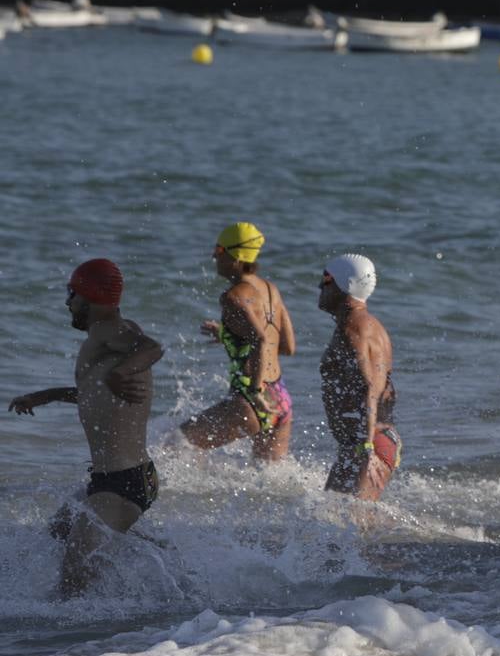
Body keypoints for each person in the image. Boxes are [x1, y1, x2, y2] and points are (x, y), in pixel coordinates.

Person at [8, 260, 163, 597]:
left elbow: (152, 348)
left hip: (123, 484)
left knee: (72, 582)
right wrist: (44, 396)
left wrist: (120, 375)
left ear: (90, 295)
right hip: (116, 479)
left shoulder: (110, 329)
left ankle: (88, 646)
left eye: (72, 293)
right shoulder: (106, 338)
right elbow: (95, 397)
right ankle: (154, 552)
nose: (67, 302)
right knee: (59, 532)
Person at [181, 222, 296, 461]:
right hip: (280, 398)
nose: (214, 255)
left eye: (220, 250)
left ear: (236, 256)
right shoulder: (270, 289)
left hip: (253, 398)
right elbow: (287, 347)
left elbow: (261, 340)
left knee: (174, 445)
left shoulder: (233, 297)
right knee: (267, 484)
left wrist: (254, 390)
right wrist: (227, 334)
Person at [319, 254, 401, 501]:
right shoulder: (366, 324)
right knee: (333, 521)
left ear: (344, 284)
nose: (320, 286)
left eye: (326, 278)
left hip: (367, 443)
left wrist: (366, 449)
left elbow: (369, 387)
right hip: (365, 440)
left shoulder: (353, 328)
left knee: (352, 525)